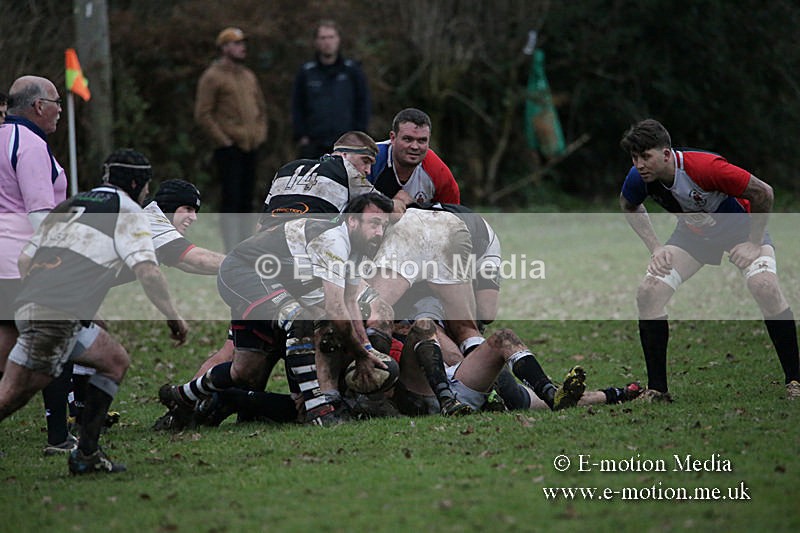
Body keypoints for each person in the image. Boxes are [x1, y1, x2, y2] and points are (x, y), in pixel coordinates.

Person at [0, 149, 189, 474]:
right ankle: (84, 453)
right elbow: (148, 271)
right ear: (135, 182)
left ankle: (86, 453)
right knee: (14, 394)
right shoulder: (128, 211)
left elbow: (24, 260)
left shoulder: (69, 205)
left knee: (114, 361)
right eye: (145, 185)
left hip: (41, 306)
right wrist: (174, 317)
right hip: (55, 315)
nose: (146, 192)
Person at [159, 192, 395, 427]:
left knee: (244, 371)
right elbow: (335, 307)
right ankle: (317, 410)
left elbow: (350, 302)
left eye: (383, 226)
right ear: (352, 220)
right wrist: (360, 355)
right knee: (300, 320)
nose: (379, 232)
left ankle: (182, 395)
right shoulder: (333, 239)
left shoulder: (356, 250)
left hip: (266, 283)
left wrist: (366, 349)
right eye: (374, 223)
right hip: (242, 273)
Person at [618, 118, 800, 401]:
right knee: (648, 293)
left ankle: (795, 381)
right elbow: (629, 205)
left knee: (765, 287)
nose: (639, 164)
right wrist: (655, 248)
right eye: (634, 157)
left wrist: (753, 242)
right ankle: (657, 391)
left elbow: (763, 192)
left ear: (666, 154)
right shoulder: (640, 178)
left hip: (742, 231)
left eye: (645, 157)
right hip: (694, 237)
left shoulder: (705, 167)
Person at [44, 178, 226, 454]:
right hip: (51, 291)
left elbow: (180, 267)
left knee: (91, 338)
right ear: (168, 206)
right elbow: (195, 259)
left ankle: (77, 416)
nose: (193, 217)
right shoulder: (151, 222)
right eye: (187, 208)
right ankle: (66, 430)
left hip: (62, 288)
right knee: (34, 369)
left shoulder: (146, 221)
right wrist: (246, 262)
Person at [0, 76, 71, 452]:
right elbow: (41, 214)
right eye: (56, 101)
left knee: (7, 350)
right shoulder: (29, 145)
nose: (61, 108)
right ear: (38, 106)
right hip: (22, 264)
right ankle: (60, 434)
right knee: (56, 344)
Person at [195, 26, 268, 251]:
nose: (242, 47)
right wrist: (223, 140)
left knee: (248, 201)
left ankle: (247, 246)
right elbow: (203, 113)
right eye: (236, 43)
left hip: (250, 147)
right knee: (231, 201)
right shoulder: (212, 76)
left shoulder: (248, 76)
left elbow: (261, 109)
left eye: (242, 43)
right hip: (230, 148)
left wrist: (260, 133)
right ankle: (231, 248)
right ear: (224, 48)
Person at [292, 20, 371, 160]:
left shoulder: (352, 71)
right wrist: (301, 135)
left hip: (346, 144)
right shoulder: (306, 73)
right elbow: (297, 105)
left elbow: (363, 104)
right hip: (314, 144)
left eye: (331, 37)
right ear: (316, 41)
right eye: (323, 38)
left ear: (338, 40)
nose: (327, 42)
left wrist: (359, 134)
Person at [368, 108, 460, 211]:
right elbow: (351, 207)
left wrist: (417, 207)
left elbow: (454, 214)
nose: (415, 147)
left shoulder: (438, 171)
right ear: (393, 138)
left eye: (422, 140)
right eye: (408, 139)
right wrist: (387, 204)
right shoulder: (369, 160)